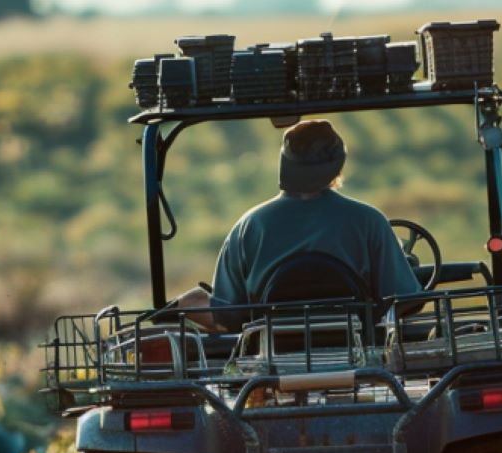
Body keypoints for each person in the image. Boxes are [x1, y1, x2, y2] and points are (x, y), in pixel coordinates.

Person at [175, 119, 421, 331]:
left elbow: (227, 314)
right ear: (338, 165)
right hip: (358, 356)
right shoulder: (369, 221)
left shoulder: (249, 226)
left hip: (270, 363)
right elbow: (406, 301)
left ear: (285, 162)